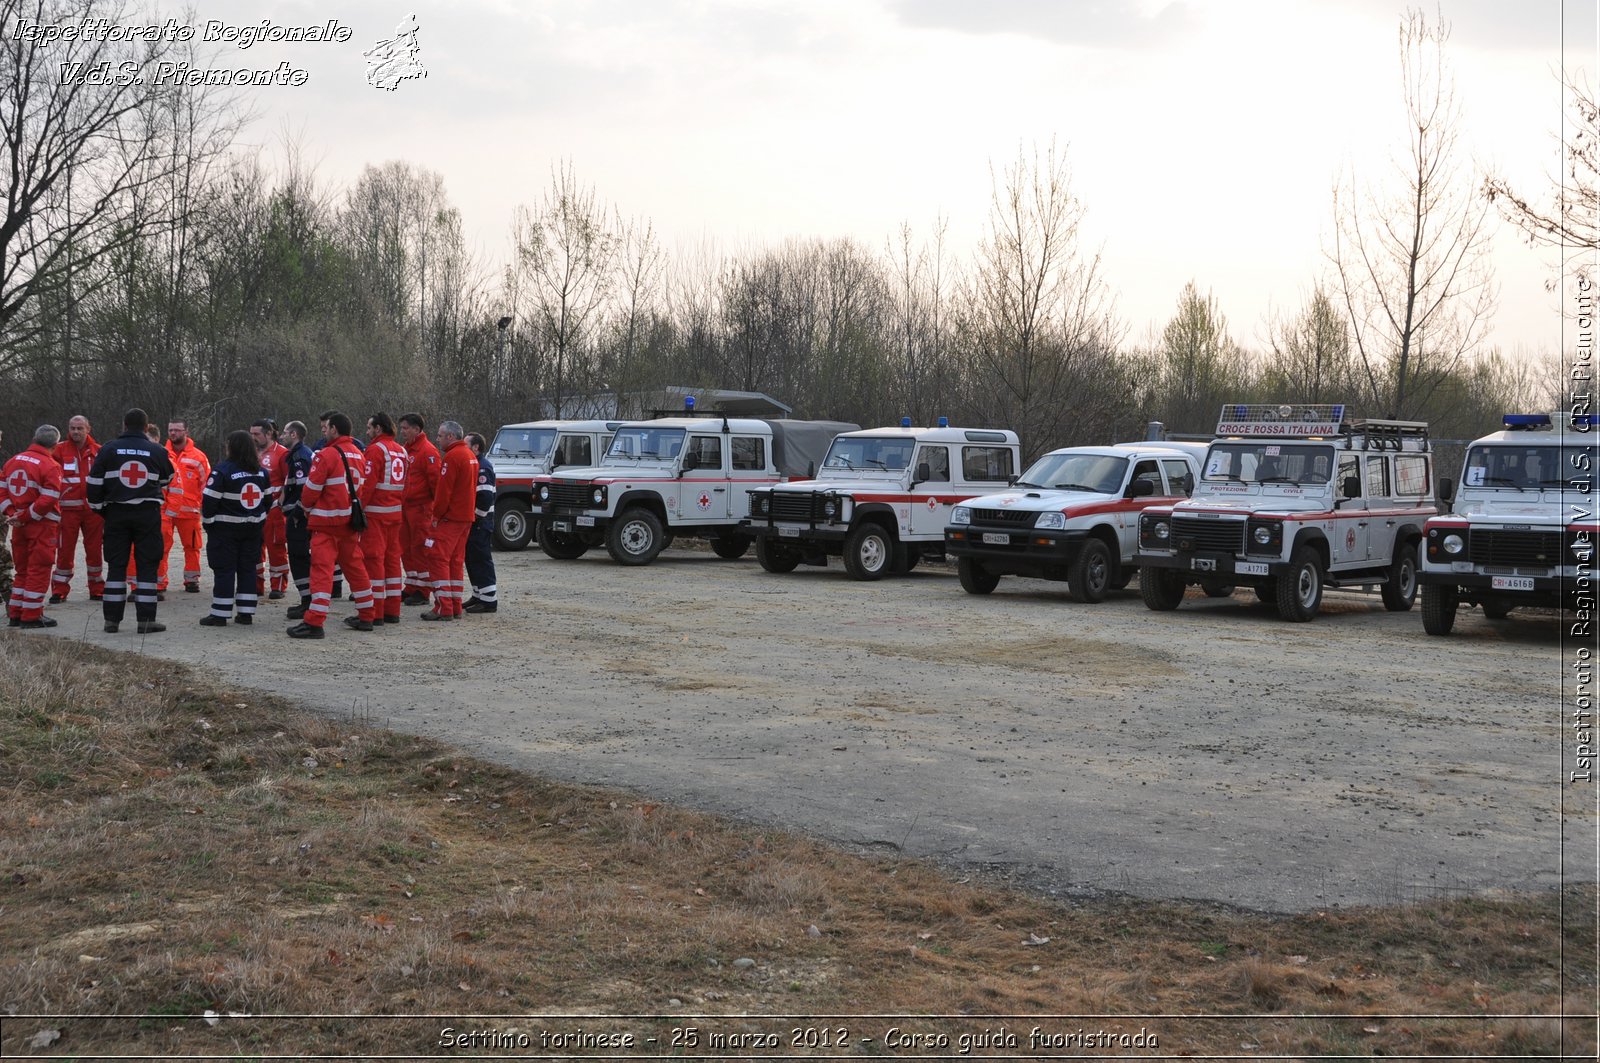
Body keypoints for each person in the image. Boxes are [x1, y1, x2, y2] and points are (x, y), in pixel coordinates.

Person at [287, 411, 376, 639]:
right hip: (349, 523)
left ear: (334, 429)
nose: (324, 431)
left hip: (326, 523)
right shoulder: (359, 453)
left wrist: (304, 509)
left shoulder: (326, 454)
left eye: (327, 427)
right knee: (356, 569)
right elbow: (362, 489)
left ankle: (314, 622)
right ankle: (367, 614)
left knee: (321, 572)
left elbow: (311, 490)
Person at [86, 409, 174, 634]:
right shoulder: (157, 450)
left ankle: (112, 621)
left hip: (116, 513)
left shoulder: (108, 449)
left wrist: (101, 509)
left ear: (124, 425)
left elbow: (94, 483)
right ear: (146, 428)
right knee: (147, 566)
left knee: (116, 567)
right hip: (148, 514)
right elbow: (167, 478)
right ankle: (146, 621)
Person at [200, 430, 270, 626]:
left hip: (225, 531)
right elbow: (268, 501)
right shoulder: (261, 472)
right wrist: (258, 520)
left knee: (224, 570)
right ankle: (246, 613)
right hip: (252, 531)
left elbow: (209, 502)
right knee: (248, 569)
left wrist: (209, 523)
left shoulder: (222, 471)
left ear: (232, 447)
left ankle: (220, 614)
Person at [2, 425, 64, 628]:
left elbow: (2, 492)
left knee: (22, 569)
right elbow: (49, 499)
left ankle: (16, 613)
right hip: (41, 525)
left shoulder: (13, 461)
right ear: (55, 444)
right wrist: (27, 516)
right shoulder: (50, 466)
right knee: (39, 569)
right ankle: (31, 615)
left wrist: (13, 514)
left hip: (19, 524)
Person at [421, 420, 477, 621]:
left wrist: (436, 515)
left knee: (437, 559)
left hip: (451, 518)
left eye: (440, 435)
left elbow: (444, 492)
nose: (437, 439)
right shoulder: (470, 455)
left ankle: (443, 607)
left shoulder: (452, 457)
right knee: (454, 562)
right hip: (465, 518)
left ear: (451, 437)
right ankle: (454, 606)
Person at [49, 414, 104, 603]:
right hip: (67, 510)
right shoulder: (59, 450)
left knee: (95, 550)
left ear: (88, 429)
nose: (75, 432)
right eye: (72, 428)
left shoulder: (99, 451)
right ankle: (60, 590)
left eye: (80, 428)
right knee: (64, 551)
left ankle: (97, 588)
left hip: (93, 511)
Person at [359, 412, 408, 625]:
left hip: (376, 515)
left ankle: (375, 612)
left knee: (373, 560)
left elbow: (367, 485)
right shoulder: (402, 451)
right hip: (395, 513)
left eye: (370, 428)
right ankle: (392, 610)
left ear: (378, 429)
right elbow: (407, 486)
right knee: (392, 561)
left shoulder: (375, 450)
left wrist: (358, 509)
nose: (367, 432)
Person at [159, 418, 210, 595]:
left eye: (177, 430)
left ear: (186, 431)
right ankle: (160, 581)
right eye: (171, 430)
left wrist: (205, 508)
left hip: (190, 511)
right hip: (165, 510)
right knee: (162, 547)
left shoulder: (198, 457)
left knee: (193, 546)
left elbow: (205, 485)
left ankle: (192, 580)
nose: (173, 433)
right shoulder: (161, 454)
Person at [397, 412, 441, 604]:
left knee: (420, 548)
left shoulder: (428, 451)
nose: (402, 432)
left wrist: (433, 510)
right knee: (406, 548)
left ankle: (423, 590)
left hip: (421, 509)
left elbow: (436, 484)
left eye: (406, 428)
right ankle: (412, 584)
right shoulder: (406, 450)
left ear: (417, 429)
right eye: (402, 428)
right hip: (406, 508)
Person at [279, 421, 316, 620]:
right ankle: (307, 599)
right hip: (298, 516)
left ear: (294, 435)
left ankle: (308, 601)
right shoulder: (299, 455)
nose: (282, 436)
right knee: (300, 557)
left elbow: (304, 489)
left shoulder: (300, 457)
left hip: (299, 518)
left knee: (299, 558)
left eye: (285, 433)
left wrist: (296, 514)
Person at [251, 419, 290, 599]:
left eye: (256, 434)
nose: (253, 437)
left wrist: (281, 504)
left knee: (276, 548)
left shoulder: (282, 454)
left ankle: (278, 586)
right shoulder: (249, 453)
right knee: (253, 549)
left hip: (274, 510)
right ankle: (256, 584)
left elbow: (288, 482)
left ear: (268, 434)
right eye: (251, 434)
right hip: (253, 508)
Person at [463, 431, 498, 614]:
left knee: (481, 559)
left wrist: (475, 518)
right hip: (476, 521)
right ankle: (478, 594)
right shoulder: (475, 464)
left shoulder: (483, 467)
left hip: (480, 522)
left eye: (466, 445)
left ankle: (489, 600)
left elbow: (484, 497)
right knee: (472, 559)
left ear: (476, 447)